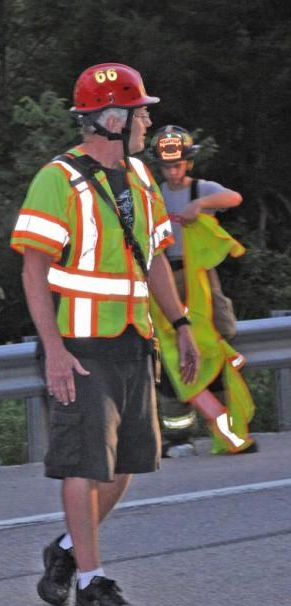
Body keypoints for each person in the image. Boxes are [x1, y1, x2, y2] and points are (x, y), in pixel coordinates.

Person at [10, 64, 199, 606]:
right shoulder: (58, 179)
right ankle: (91, 586)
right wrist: (54, 349)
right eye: (140, 112)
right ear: (112, 119)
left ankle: (68, 551)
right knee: (85, 464)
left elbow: (157, 260)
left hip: (133, 337)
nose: (148, 121)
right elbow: (33, 271)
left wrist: (181, 323)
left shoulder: (141, 178)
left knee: (125, 466)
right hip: (78, 341)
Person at [146, 125, 256, 456]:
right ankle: (178, 436)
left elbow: (234, 198)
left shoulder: (201, 190)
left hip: (202, 281)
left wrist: (201, 205)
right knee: (169, 355)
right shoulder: (154, 195)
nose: (172, 171)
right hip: (165, 278)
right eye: (166, 166)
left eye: (178, 164)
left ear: (188, 162)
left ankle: (230, 429)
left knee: (217, 343)